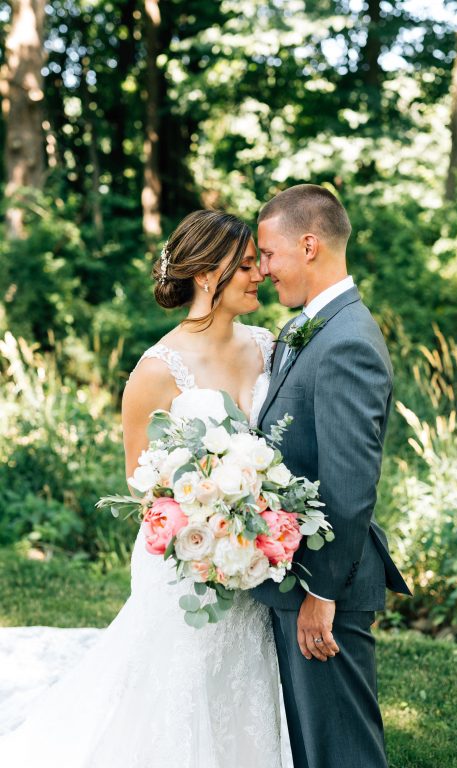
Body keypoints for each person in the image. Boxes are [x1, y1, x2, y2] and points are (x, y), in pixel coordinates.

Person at [0, 210, 286, 768]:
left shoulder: (269, 347)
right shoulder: (156, 371)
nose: (260, 275)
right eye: (248, 265)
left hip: (256, 566)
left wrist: (257, 525)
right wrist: (209, 528)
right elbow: (142, 491)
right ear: (208, 274)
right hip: (188, 567)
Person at [252, 183, 413, 768]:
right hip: (298, 578)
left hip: (326, 586)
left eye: (269, 254)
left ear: (310, 245)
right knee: (311, 748)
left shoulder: (347, 341)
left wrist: (321, 592)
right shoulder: (312, 326)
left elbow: (349, 488)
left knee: (343, 753)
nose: (263, 268)